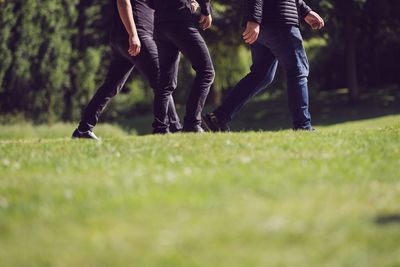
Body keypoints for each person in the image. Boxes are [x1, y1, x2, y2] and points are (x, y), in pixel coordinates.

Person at [202, 0, 324, 132]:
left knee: (262, 75)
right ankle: (303, 126)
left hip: (267, 23)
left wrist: (305, 11)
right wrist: (254, 18)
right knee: (298, 70)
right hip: (279, 21)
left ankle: (218, 118)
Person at [72, 0, 182, 140]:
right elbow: (123, 2)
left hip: (125, 37)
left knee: (111, 85)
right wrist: (133, 34)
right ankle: (175, 128)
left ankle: (83, 129)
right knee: (162, 80)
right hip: (136, 35)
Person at [149, 0, 215, 133]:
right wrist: (205, 10)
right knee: (206, 71)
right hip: (180, 21)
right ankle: (192, 123)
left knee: (165, 82)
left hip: (160, 23)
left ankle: (160, 129)